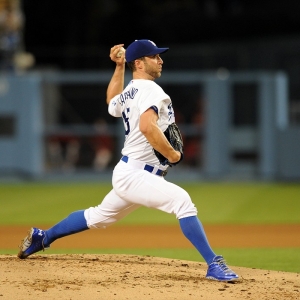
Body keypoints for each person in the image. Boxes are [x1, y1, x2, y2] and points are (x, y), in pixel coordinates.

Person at [17, 39, 239, 282]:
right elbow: (147, 126)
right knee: (182, 202)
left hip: (130, 172)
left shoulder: (131, 90)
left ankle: (42, 237)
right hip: (136, 175)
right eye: (155, 56)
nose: (161, 60)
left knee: (98, 217)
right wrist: (173, 155)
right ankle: (214, 264)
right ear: (140, 63)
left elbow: (111, 102)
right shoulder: (152, 90)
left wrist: (119, 66)